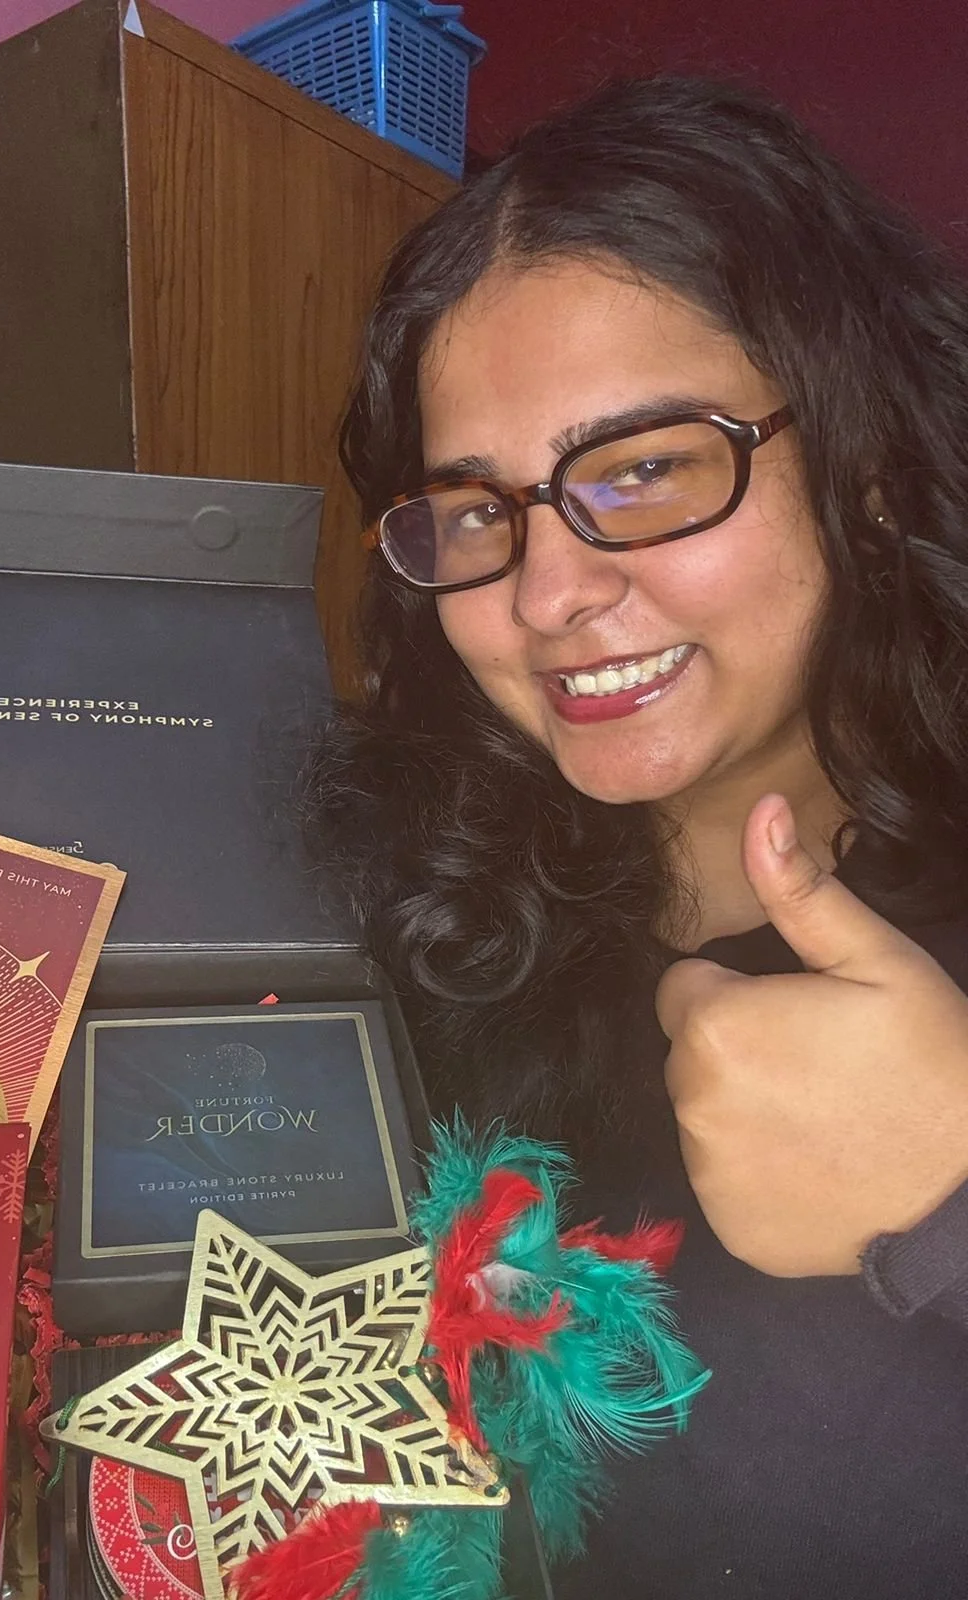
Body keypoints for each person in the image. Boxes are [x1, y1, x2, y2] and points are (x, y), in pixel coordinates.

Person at [307, 76, 968, 1598]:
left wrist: (948, 1200)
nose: (548, 594)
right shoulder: (404, 887)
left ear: (867, 473)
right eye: (480, 512)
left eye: (648, 469)